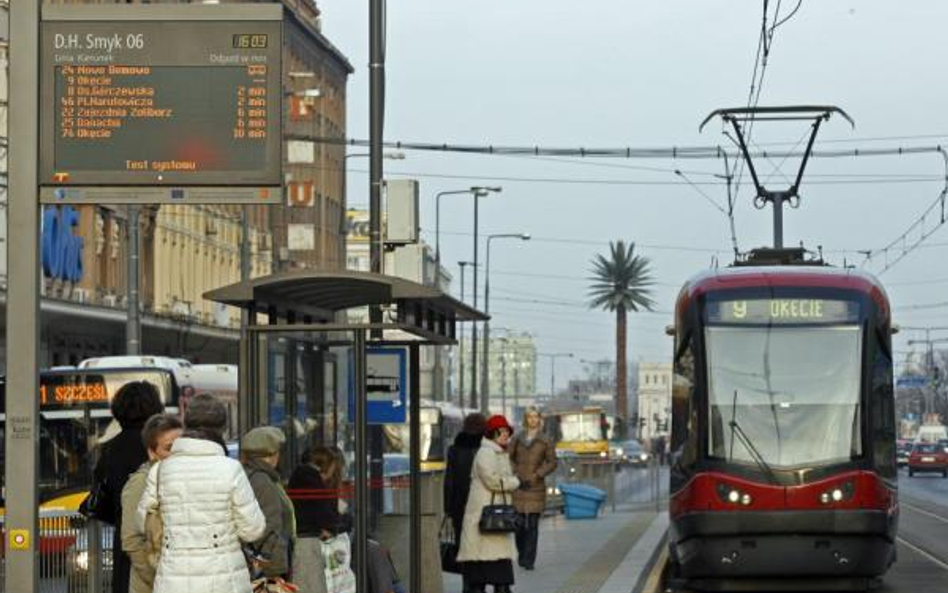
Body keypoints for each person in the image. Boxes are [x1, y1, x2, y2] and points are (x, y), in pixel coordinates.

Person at [137, 398, 266, 593]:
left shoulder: (161, 470)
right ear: (222, 428)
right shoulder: (231, 469)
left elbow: (143, 522)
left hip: (173, 580)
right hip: (225, 580)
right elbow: (252, 530)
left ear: (186, 425)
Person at [93, 381, 165, 593]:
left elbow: (101, 498)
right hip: (156, 543)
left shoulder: (109, 449)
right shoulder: (160, 448)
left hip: (124, 543)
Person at [456, 415, 521, 593]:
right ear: (492, 433)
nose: (506, 435)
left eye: (508, 432)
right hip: (485, 520)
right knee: (485, 578)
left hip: (494, 522)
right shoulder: (486, 452)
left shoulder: (498, 452)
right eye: (502, 432)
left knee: (493, 579)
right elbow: (492, 480)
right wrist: (515, 482)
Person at [121, 414, 184, 593]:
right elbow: (131, 540)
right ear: (152, 451)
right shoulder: (141, 482)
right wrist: (159, 579)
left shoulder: (182, 477)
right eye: (169, 448)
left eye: (181, 446)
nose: (176, 453)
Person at [287, 446, 346, 593]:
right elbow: (324, 511)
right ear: (326, 465)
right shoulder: (311, 478)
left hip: (303, 538)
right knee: (311, 585)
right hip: (306, 540)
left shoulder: (302, 475)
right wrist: (333, 526)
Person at [241, 426, 296, 581]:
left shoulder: (250, 474)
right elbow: (270, 527)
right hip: (267, 566)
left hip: (259, 562)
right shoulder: (262, 481)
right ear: (272, 455)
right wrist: (272, 569)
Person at [508, 407, 557, 571]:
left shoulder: (545, 440)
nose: (533, 420)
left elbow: (552, 462)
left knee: (533, 525)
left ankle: (529, 559)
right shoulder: (517, 438)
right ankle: (522, 554)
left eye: (536, 416)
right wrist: (515, 473)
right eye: (530, 417)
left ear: (540, 419)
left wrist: (538, 474)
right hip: (519, 486)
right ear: (525, 419)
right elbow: (509, 458)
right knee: (519, 525)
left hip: (536, 486)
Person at [443, 413, 486, 592]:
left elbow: (449, 482)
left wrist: (449, 509)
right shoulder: (487, 448)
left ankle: (468, 587)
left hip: (461, 508)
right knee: (483, 549)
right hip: (485, 507)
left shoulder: (454, 449)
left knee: (465, 549)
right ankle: (481, 585)